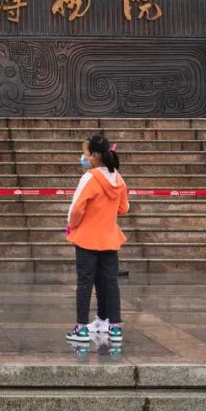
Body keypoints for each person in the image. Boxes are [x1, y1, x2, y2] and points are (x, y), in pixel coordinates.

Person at [65, 134, 129, 346]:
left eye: (85, 154)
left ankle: (81, 328)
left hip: (87, 239)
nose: (84, 158)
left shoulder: (90, 178)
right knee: (111, 284)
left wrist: (72, 226)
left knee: (85, 282)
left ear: (94, 155)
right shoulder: (118, 178)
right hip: (109, 238)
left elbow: (76, 208)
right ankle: (115, 328)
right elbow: (124, 208)